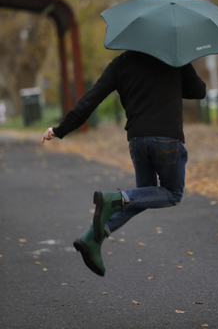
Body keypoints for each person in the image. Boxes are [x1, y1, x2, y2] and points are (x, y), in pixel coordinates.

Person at [42, 50, 206, 277]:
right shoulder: (173, 57)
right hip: (167, 140)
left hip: (137, 141)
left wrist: (60, 130)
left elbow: (92, 98)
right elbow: (199, 91)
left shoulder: (121, 62)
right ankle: (116, 199)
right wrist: (180, 65)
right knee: (172, 194)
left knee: (142, 196)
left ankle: (93, 237)